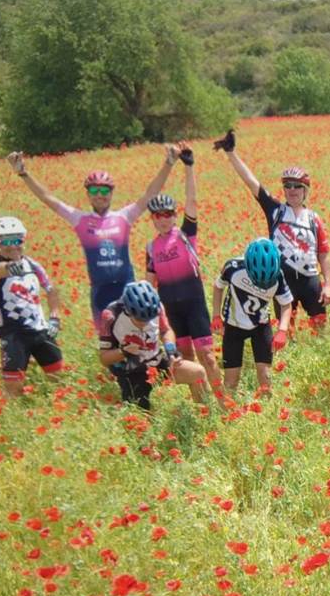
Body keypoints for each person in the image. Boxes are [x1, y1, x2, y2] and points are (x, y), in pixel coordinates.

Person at [6, 146, 178, 326]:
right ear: (88, 195)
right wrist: (23, 173)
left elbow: (150, 194)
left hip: (127, 288)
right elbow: (48, 198)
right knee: (107, 341)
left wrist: (168, 163)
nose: (99, 196)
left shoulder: (124, 217)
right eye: (94, 191)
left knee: (138, 337)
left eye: (104, 191)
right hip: (100, 292)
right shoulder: (80, 219)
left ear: (111, 193)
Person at [212, 129, 330, 333]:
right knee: (286, 329)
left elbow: (324, 253)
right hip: (283, 279)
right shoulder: (276, 211)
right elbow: (252, 183)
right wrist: (231, 153)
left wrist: (328, 284)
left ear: (305, 190)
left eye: (297, 186)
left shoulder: (314, 218)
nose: (292, 190)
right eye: (288, 186)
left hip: (310, 279)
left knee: (320, 327)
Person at [143, 143, 222, 400]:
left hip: (194, 305)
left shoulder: (186, 235)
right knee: (186, 359)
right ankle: (203, 406)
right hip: (172, 310)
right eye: (157, 216)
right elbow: (149, 284)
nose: (163, 219)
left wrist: (189, 167)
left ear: (174, 216)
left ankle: (224, 403)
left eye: (167, 214)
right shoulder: (151, 247)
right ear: (152, 219)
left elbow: (192, 201)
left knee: (208, 357)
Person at [0, 216, 64, 397]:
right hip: (14, 336)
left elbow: (51, 290)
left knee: (60, 381)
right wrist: (9, 268)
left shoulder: (33, 265)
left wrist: (55, 317)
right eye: (6, 241)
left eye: (17, 240)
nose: (12, 246)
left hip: (41, 331)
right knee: (14, 391)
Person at [98, 281, 205, 410]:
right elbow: (104, 358)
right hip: (131, 372)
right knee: (142, 416)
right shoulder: (110, 315)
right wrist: (124, 351)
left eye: (148, 319)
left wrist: (171, 351)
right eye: (139, 320)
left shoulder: (157, 306)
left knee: (198, 373)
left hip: (157, 362)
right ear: (128, 310)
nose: (144, 323)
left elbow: (165, 331)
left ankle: (202, 415)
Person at [210, 238, 293, 397]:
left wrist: (282, 330)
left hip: (260, 326)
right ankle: (229, 410)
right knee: (231, 382)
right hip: (233, 326)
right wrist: (216, 316)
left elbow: (286, 304)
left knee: (265, 378)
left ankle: (268, 410)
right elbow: (218, 287)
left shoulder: (278, 276)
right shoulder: (233, 268)